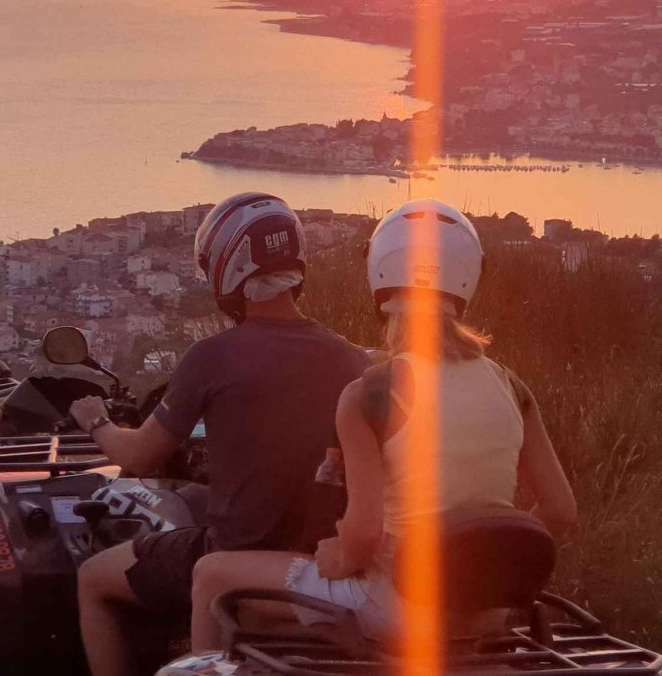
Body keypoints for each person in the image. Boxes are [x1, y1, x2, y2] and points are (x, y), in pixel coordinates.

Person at [186, 198, 578, 652]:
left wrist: (337, 556)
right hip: (486, 610)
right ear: (468, 279)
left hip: (397, 608)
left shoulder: (369, 394)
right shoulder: (511, 385)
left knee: (210, 574)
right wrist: (480, 567)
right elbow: (560, 510)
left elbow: (364, 533)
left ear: (380, 279)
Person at [69, 192, 369, 676]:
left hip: (232, 558)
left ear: (227, 271)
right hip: (317, 570)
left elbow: (142, 457)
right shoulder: (353, 358)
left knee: (90, 578)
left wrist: (95, 421)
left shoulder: (213, 356)